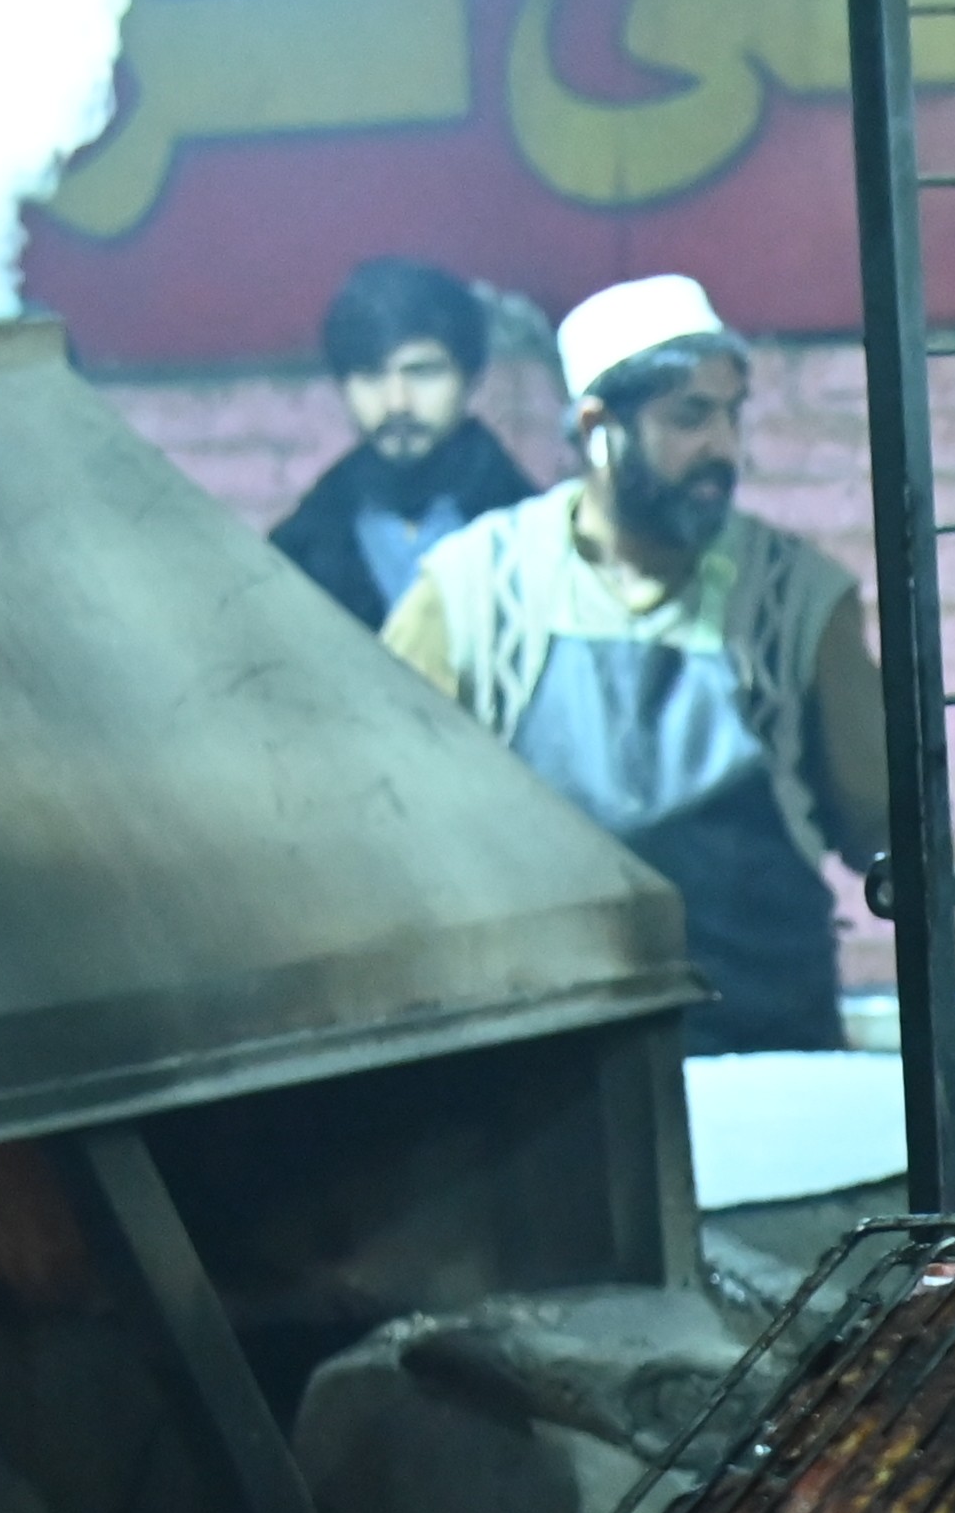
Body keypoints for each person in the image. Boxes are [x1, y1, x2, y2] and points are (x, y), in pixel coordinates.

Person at [386, 274, 894, 1055]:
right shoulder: (473, 594)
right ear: (599, 426)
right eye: (690, 416)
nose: (722, 448)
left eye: (731, 414)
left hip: (768, 1052)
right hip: (548, 1067)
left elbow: (891, 831)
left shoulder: (795, 601)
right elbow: (388, 829)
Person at [264, 257, 541, 630]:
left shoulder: (541, 541)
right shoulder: (297, 549)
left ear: (471, 377)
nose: (397, 402)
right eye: (371, 374)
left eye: (422, 372)